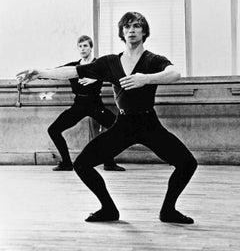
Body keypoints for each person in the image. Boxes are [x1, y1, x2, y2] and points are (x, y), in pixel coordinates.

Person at [17, 12, 198, 224]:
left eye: (136, 26)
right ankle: (109, 209)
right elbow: (73, 71)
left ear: (144, 31)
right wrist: (40, 71)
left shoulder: (153, 60)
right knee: (82, 165)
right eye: (127, 27)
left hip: (149, 124)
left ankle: (168, 210)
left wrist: (145, 79)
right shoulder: (110, 62)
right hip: (124, 125)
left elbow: (175, 74)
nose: (131, 30)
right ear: (122, 32)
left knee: (188, 164)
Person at [49, 35, 125, 171]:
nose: (83, 49)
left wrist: (96, 78)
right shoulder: (73, 67)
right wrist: (35, 74)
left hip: (95, 105)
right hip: (79, 105)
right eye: (80, 46)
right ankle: (66, 163)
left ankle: (109, 162)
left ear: (91, 48)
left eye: (85, 46)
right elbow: (54, 72)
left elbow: (117, 73)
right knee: (53, 130)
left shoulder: (98, 65)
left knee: (118, 128)